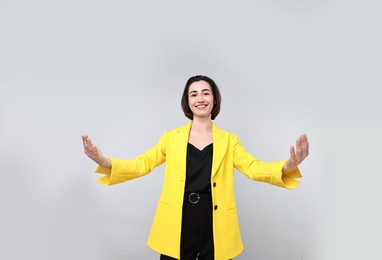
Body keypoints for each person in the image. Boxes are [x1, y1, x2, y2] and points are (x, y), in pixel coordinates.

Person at [82, 75, 309, 260]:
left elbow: (253, 168)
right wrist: (105, 162)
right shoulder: (171, 138)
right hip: (179, 217)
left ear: (214, 99)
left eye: (205, 93)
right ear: (187, 101)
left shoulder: (229, 140)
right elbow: (142, 164)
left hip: (215, 219)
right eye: (194, 94)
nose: (200, 98)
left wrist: (288, 165)